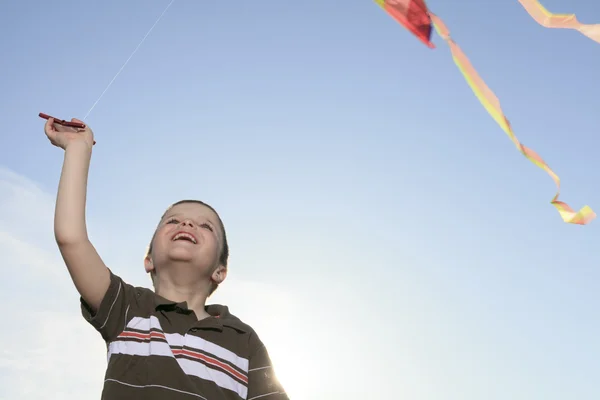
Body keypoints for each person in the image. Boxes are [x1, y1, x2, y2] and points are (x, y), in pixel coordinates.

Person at [44, 118, 288, 400]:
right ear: (149, 260)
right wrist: (78, 148)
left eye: (205, 226)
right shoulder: (127, 308)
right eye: (173, 221)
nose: (186, 225)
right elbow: (71, 237)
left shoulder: (242, 338)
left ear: (220, 271)